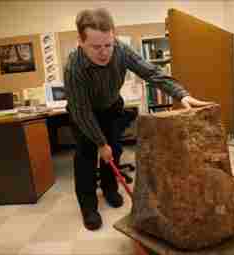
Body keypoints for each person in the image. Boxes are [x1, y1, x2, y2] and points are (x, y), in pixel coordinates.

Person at [64, 8, 212, 231]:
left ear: (113, 38)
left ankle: (110, 189)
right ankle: (89, 207)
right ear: (81, 42)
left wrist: (182, 94)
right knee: (86, 157)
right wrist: (99, 142)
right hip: (83, 114)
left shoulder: (122, 51)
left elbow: (152, 72)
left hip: (110, 108)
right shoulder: (73, 67)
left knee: (114, 150)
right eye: (96, 47)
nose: (104, 52)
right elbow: (82, 112)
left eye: (108, 45)